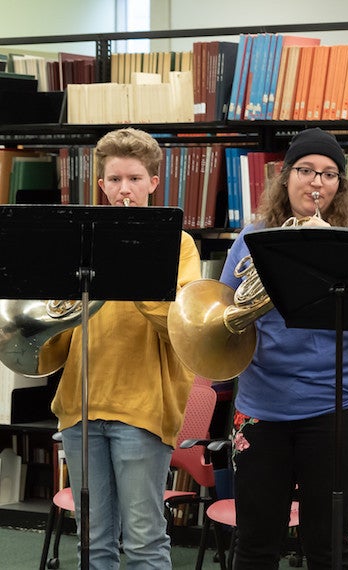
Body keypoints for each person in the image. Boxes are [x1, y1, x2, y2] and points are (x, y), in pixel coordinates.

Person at [219, 127, 348, 569]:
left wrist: (328, 254)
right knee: (254, 541)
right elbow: (226, 313)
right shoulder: (254, 237)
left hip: (336, 407)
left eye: (328, 174)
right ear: (285, 178)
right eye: (306, 170)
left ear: (339, 186)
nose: (316, 182)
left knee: (326, 546)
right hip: (261, 406)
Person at [50, 127, 202, 569]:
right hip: (80, 406)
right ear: (101, 185)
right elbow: (58, 331)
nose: (124, 190)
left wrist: (134, 264)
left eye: (134, 179)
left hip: (142, 408)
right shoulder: (81, 239)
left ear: (154, 183)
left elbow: (182, 327)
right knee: (92, 542)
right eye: (114, 180)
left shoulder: (179, 244)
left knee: (143, 540)